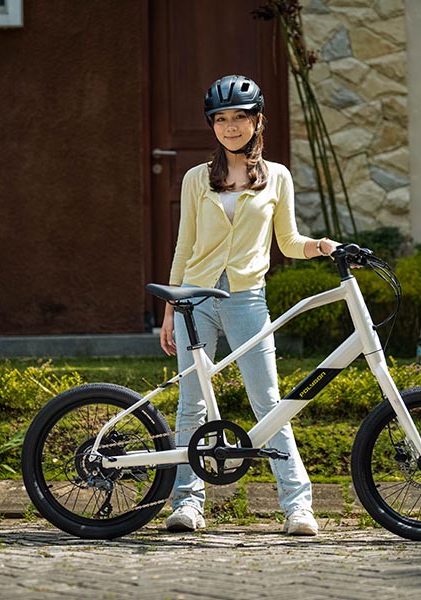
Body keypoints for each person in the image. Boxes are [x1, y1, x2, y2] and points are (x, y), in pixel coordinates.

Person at [159, 74, 341, 536]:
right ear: (213, 127)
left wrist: (319, 246)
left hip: (246, 299)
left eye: (239, 117)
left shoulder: (277, 176)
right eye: (221, 119)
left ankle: (298, 507)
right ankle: (186, 504)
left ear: (257, 121)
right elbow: (184, 246)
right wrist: (169, 308)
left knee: (269, 403)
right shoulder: (196, 178)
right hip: (194, 301)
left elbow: (288, 241)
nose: (230, 127)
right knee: (191, 406)